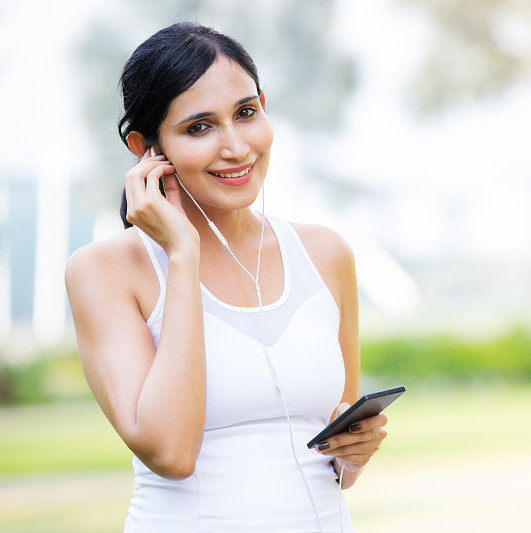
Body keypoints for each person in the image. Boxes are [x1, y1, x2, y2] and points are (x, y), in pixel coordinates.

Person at [64, 22, 388, 532]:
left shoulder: (325, 254)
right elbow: (170, 452)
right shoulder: (104, 271)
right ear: (144, 148)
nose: (236, 147)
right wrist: (183, 254)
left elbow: (331, 463)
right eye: (199, 127)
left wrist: (354, 451)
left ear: (264, 103)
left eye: (245, 113)